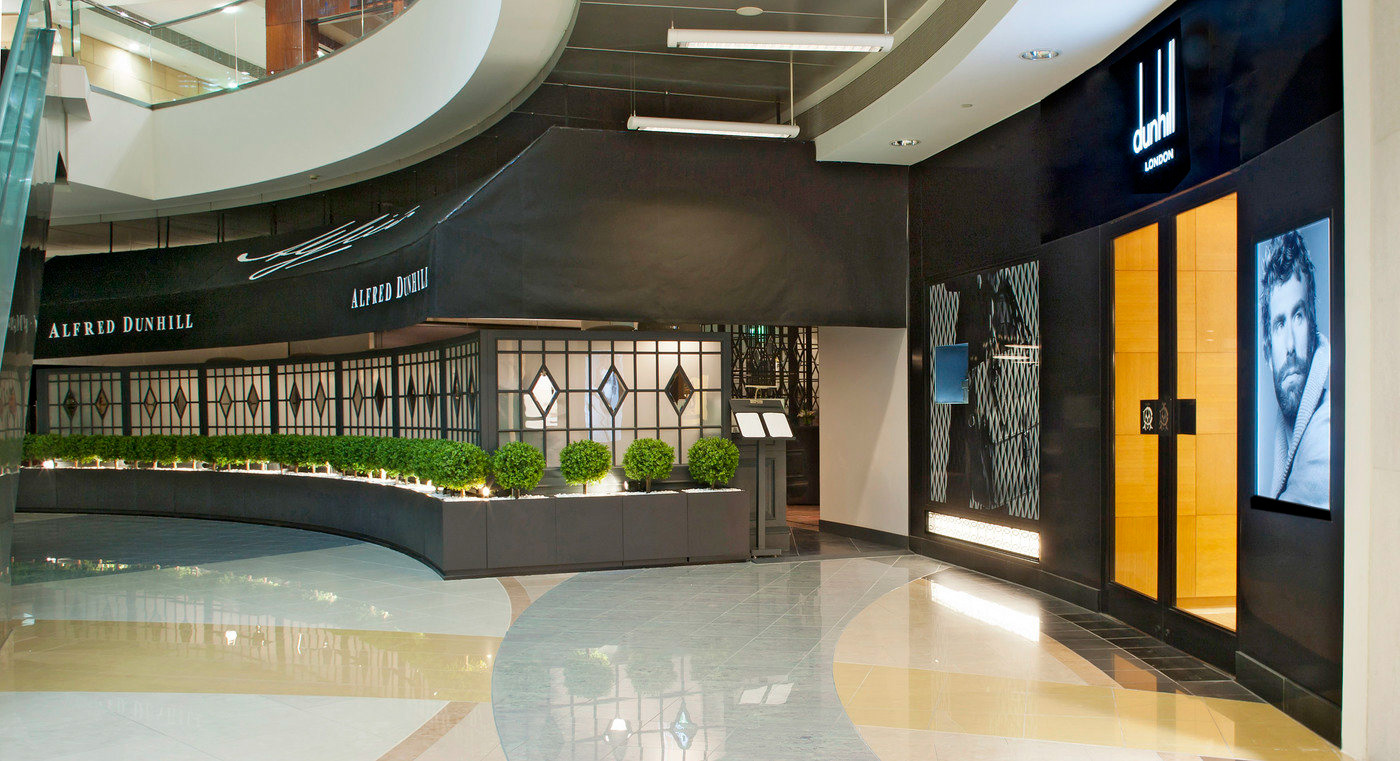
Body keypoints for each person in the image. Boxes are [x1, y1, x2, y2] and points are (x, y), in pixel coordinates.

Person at [1260, 230, 1330, 507]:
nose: (1289, 345)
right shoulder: (1286, 436)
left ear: (1313, 328)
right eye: (1279, 324)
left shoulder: (1326, 434)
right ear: (1267, 352)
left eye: (1298, 316)